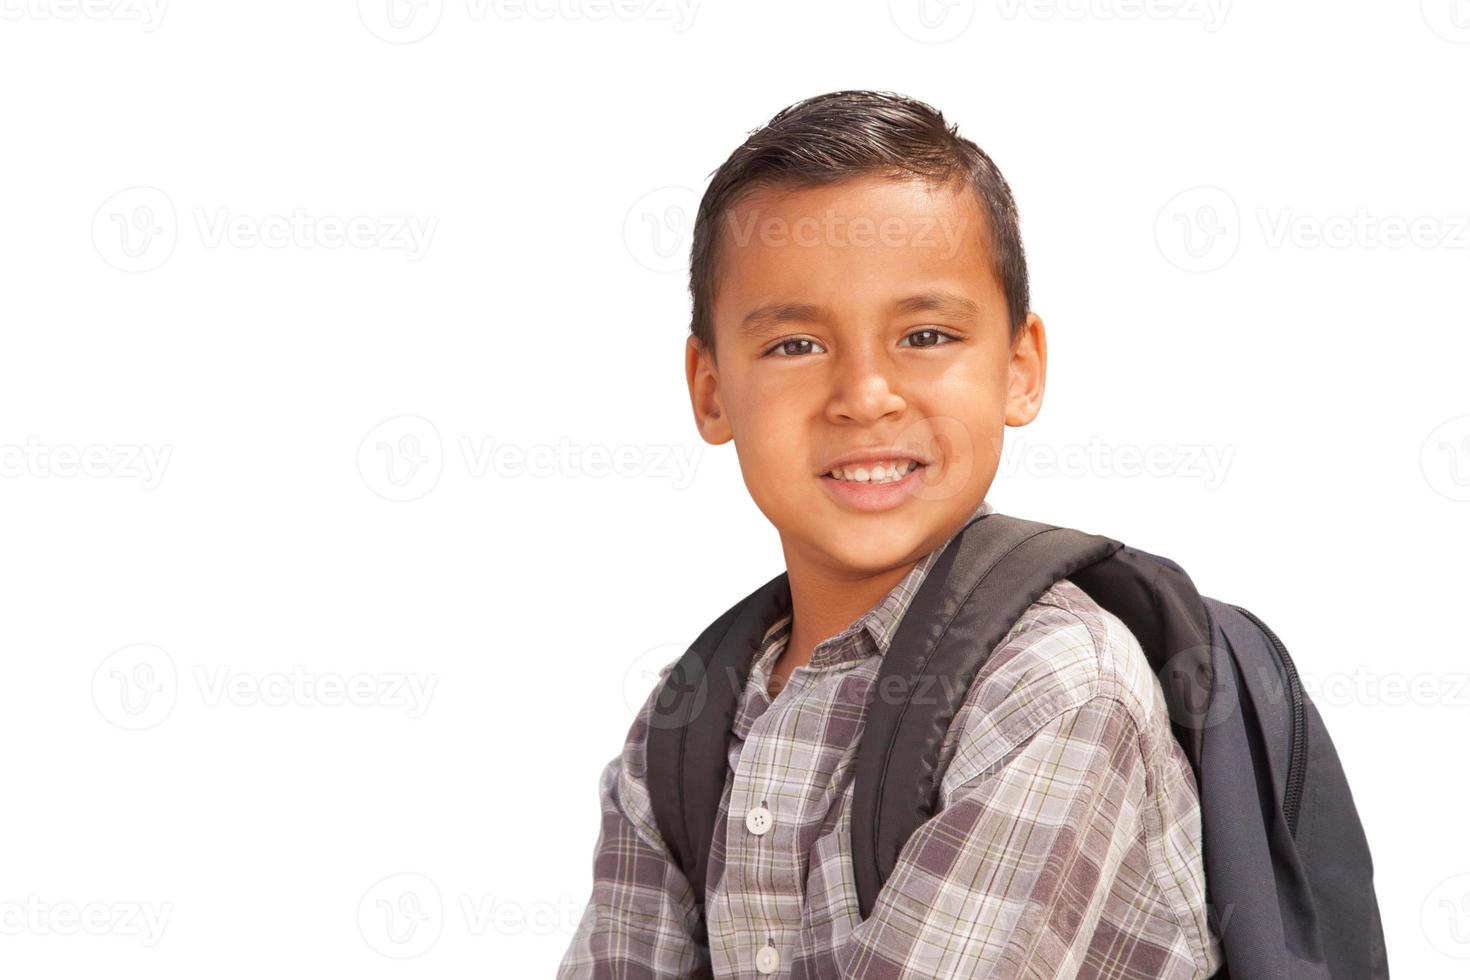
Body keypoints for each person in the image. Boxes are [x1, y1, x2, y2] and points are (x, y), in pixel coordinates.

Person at [557, 89, 1223, 979]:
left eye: (925, 334)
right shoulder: (686, 722)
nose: (865, 393)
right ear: (710, 389)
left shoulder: (1054, 686)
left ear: (1019, 370)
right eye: (795, 344)